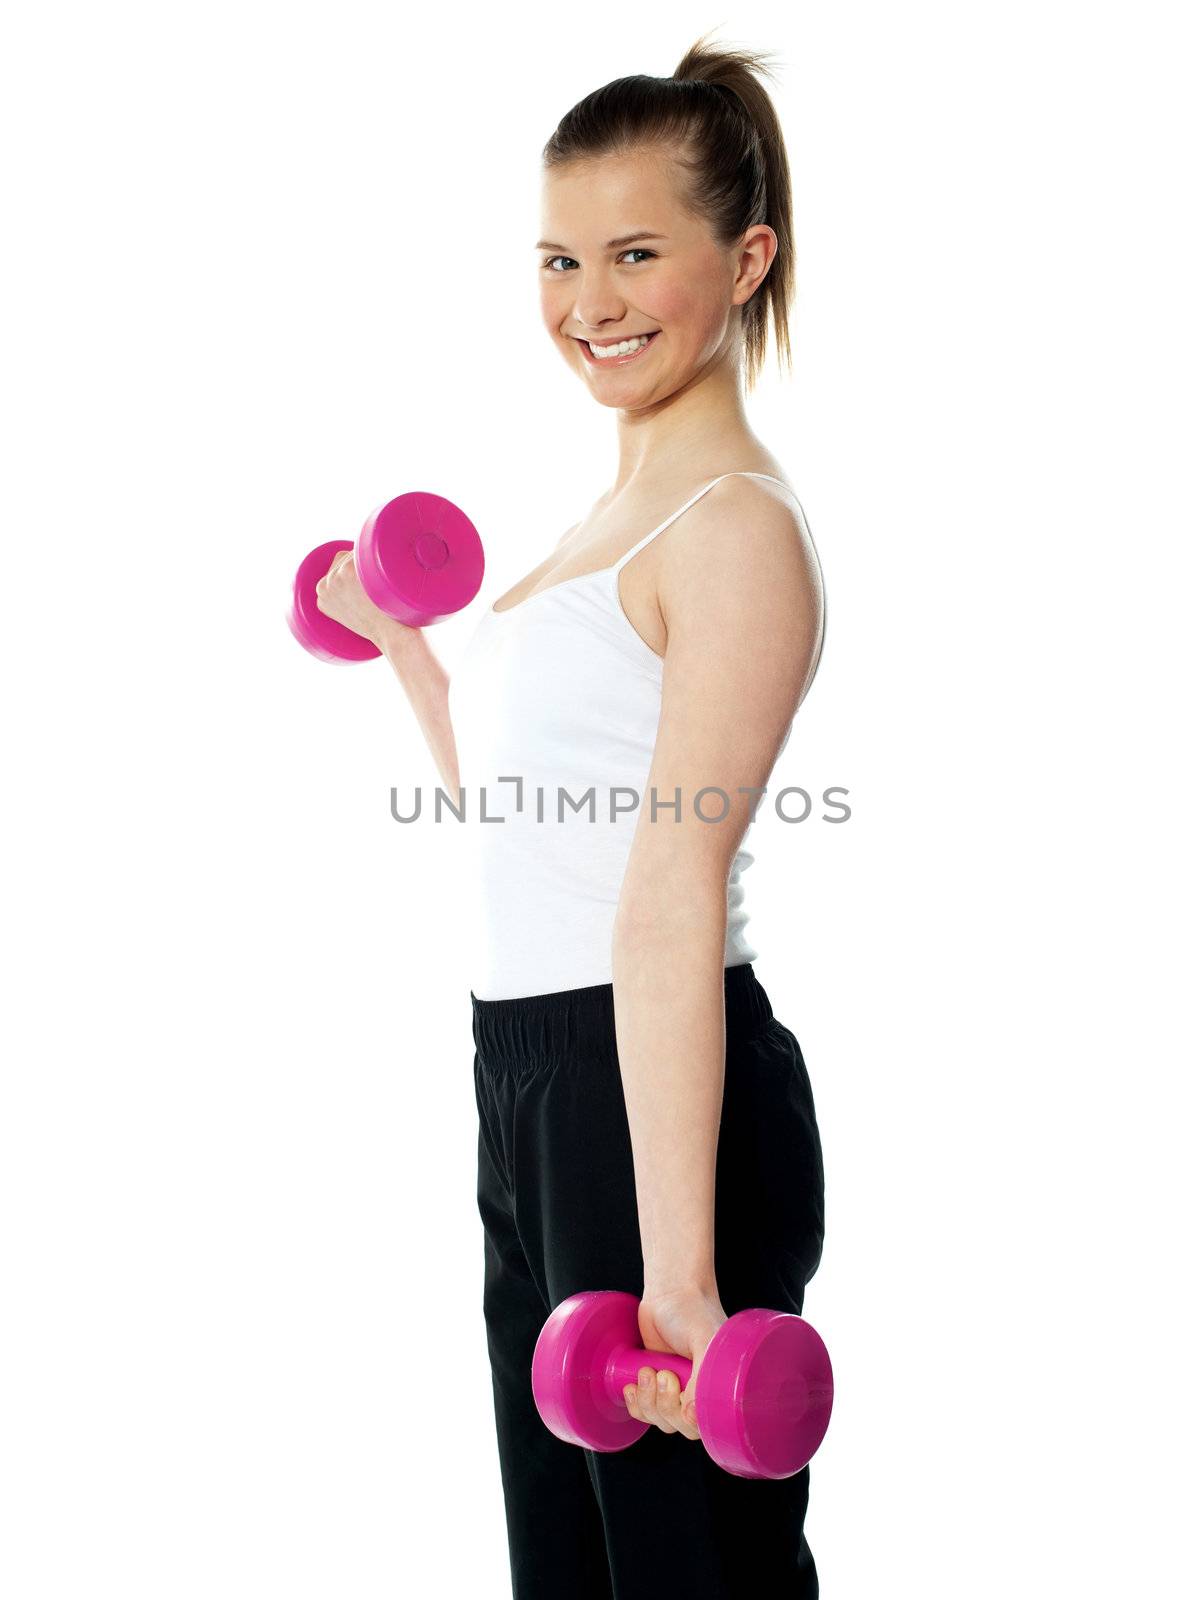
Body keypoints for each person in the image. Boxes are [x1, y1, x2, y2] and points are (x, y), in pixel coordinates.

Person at [316, 31, 828, 1599]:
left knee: (687, 1569)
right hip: (534, 1072)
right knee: (571, 1567)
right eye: (557, 257)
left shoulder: (728, 528)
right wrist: (411, 655)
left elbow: (669, 878)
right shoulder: (603, 518)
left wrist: (679, 1272)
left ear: (742, 262)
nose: (586, 302)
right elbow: (535, 830)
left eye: (632, 254)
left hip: (650, 1081)